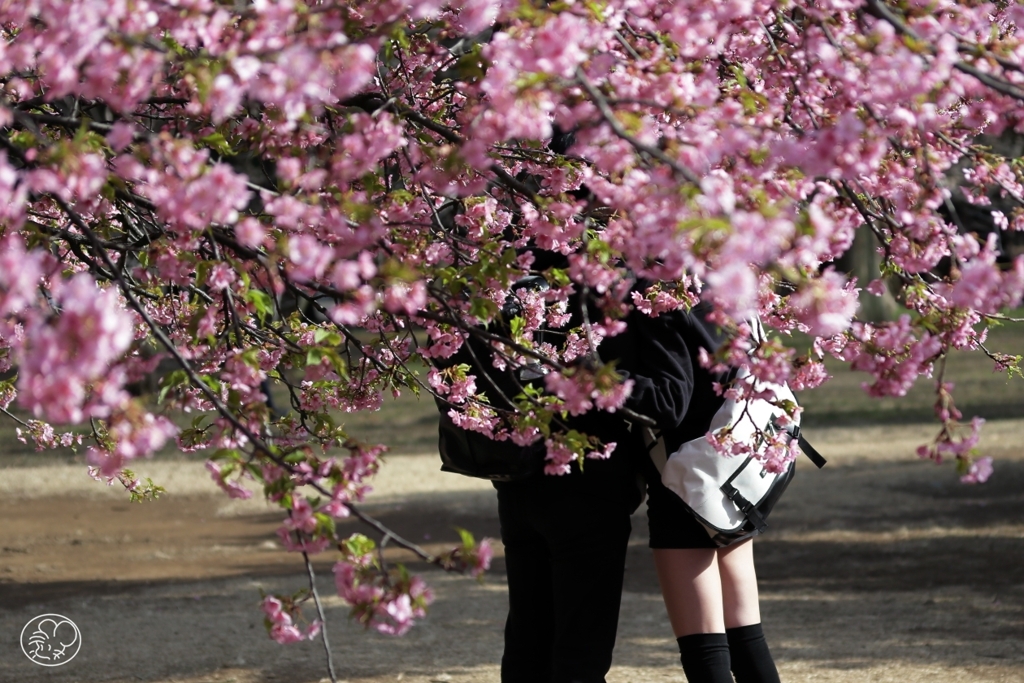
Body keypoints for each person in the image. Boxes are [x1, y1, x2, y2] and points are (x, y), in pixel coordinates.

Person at [490, 283, 697, 683]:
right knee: (571, 652)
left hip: (523, 474)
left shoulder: (516, 259)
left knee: (528, 645)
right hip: (580, 486)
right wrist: (596, 375)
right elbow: (669, 401)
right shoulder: (638, 283)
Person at [640, 305, 782, 683]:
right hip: (735, 473)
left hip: (683, 479)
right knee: (747, 638)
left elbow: (666, 402)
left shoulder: (658, 298)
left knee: (706, 654)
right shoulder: (729, 286)